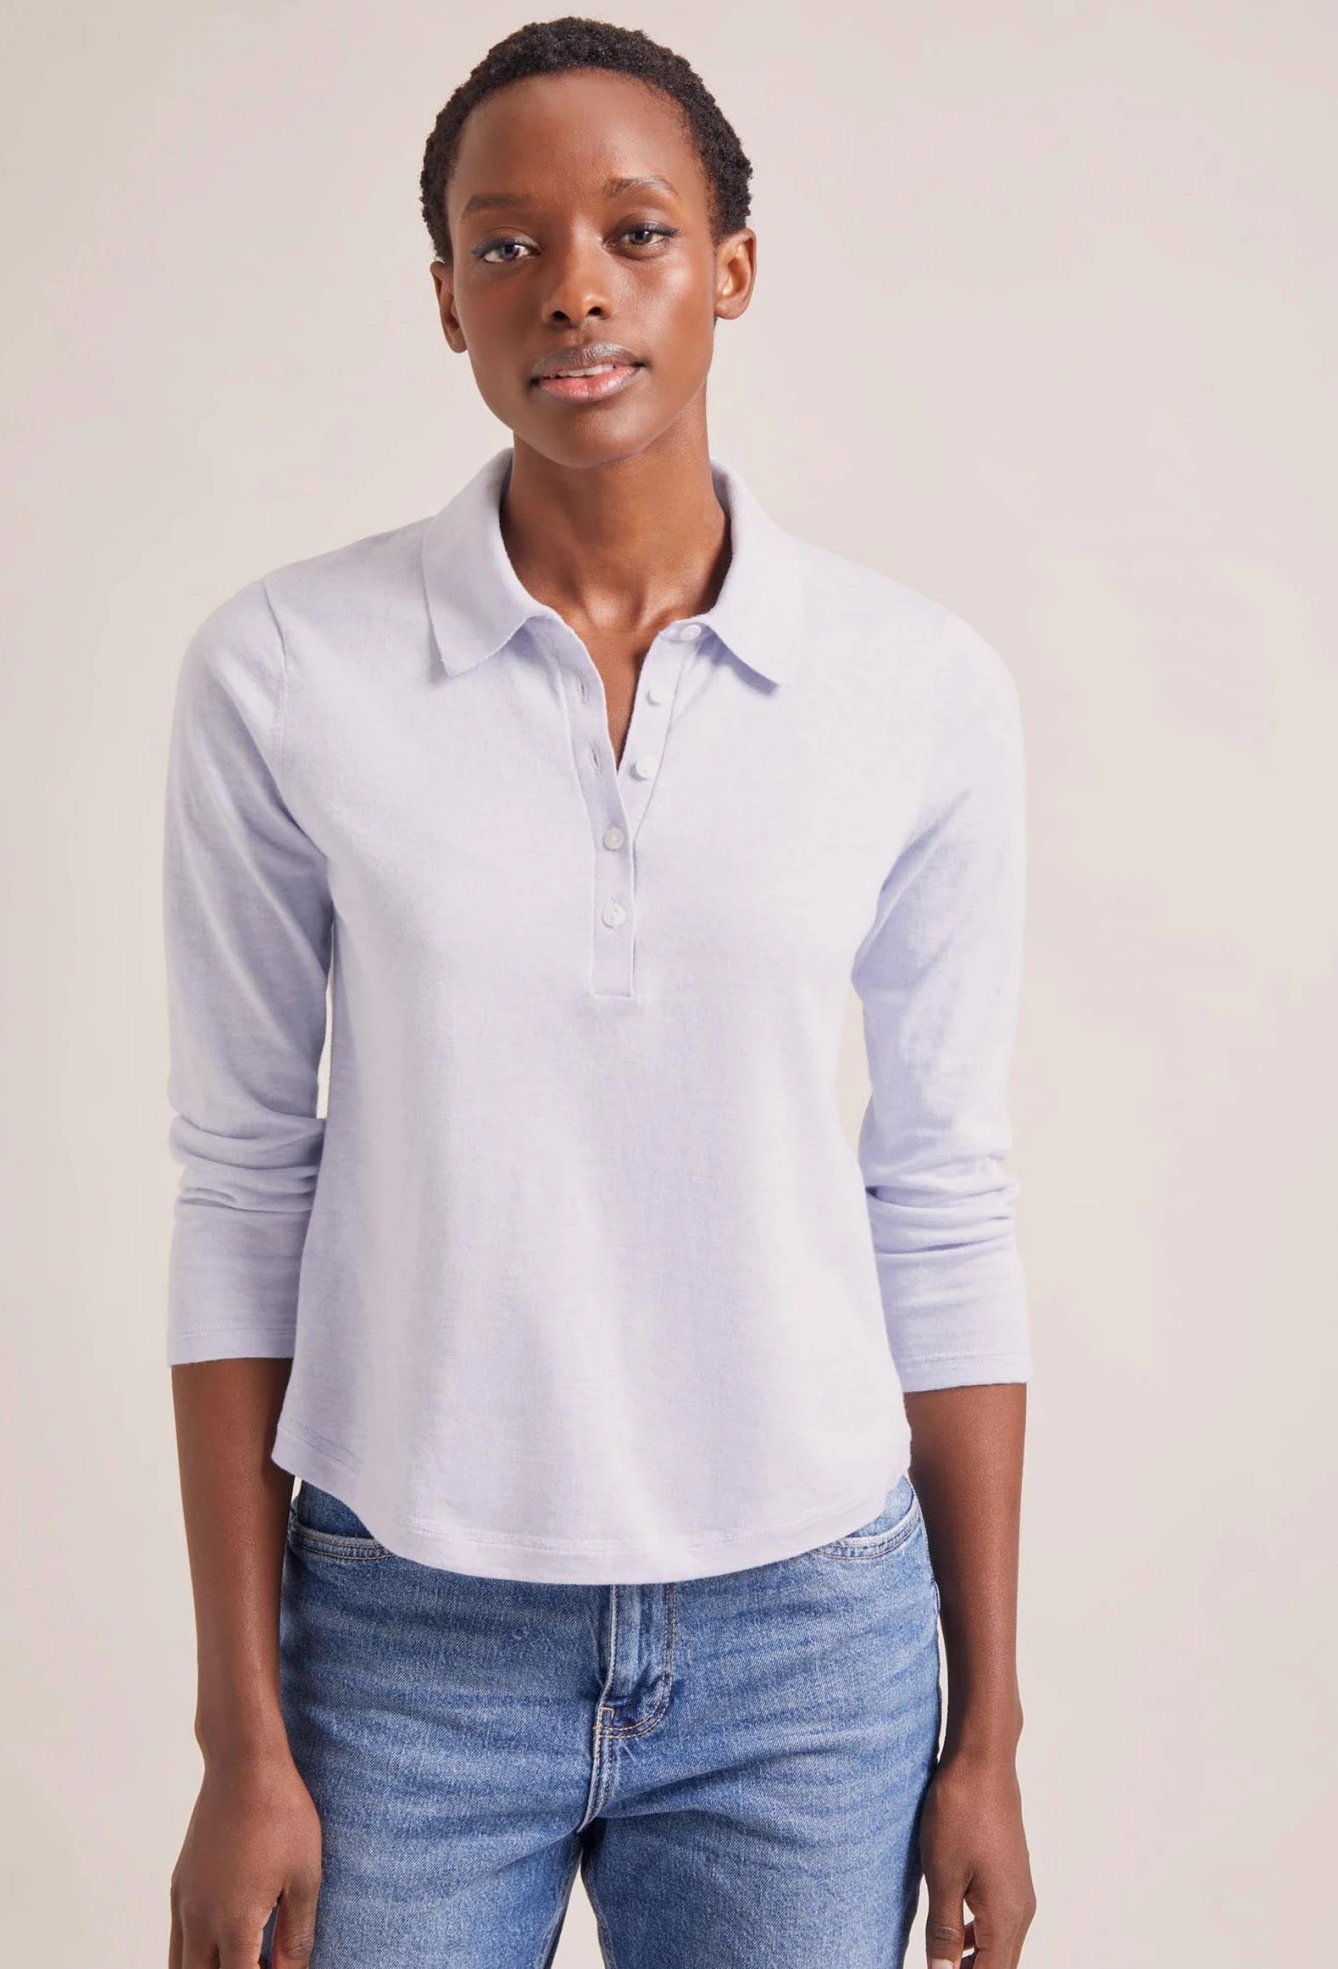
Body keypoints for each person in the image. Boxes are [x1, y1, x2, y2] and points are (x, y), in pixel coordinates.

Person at [162, 18, 1037, 1969]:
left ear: (732, 268)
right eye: (506, 244)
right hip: (403, 1634)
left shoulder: (914, 690)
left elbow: (945, 1199)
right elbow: (241, 1188)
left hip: (810, 1643)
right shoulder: (289, 672)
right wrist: (240, 1739)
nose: (572, 286)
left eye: (636, 232)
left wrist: (988, 1732)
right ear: (447, 300)